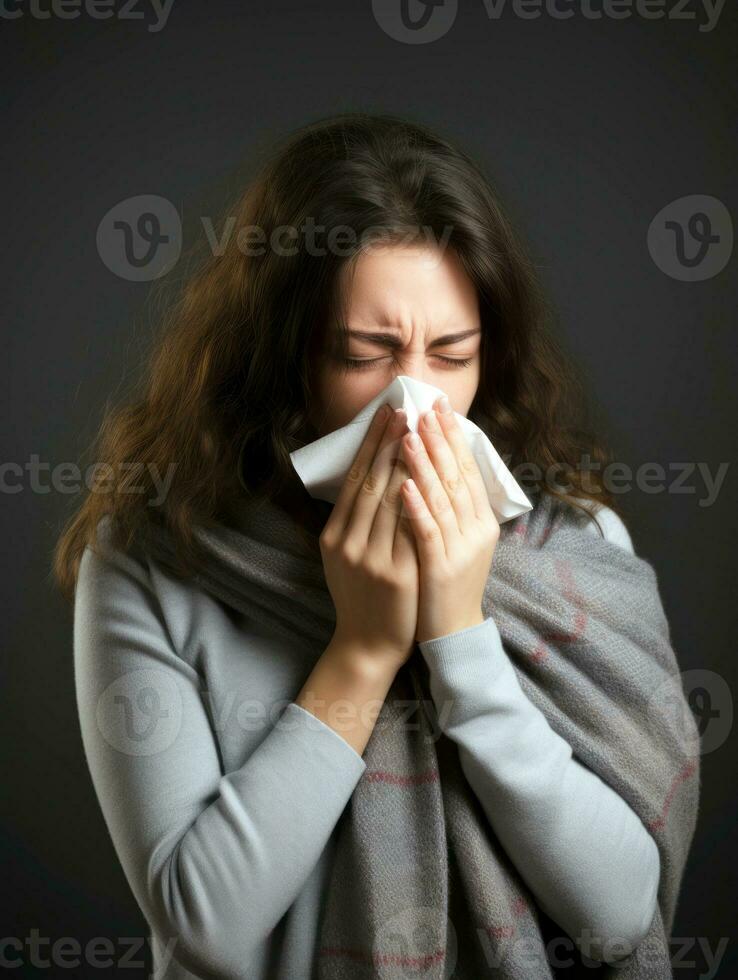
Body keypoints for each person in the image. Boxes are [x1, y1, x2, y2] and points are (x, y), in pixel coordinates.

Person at [54, 112, 698, 979]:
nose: (415, 404)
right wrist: (360, 652)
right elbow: (206, 932)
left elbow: (623, 918)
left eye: (452, 354)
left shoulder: (573, 545)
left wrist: (461, 641)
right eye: (367, 356)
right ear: (288, 360)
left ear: (490, 359)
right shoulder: (152, 560)